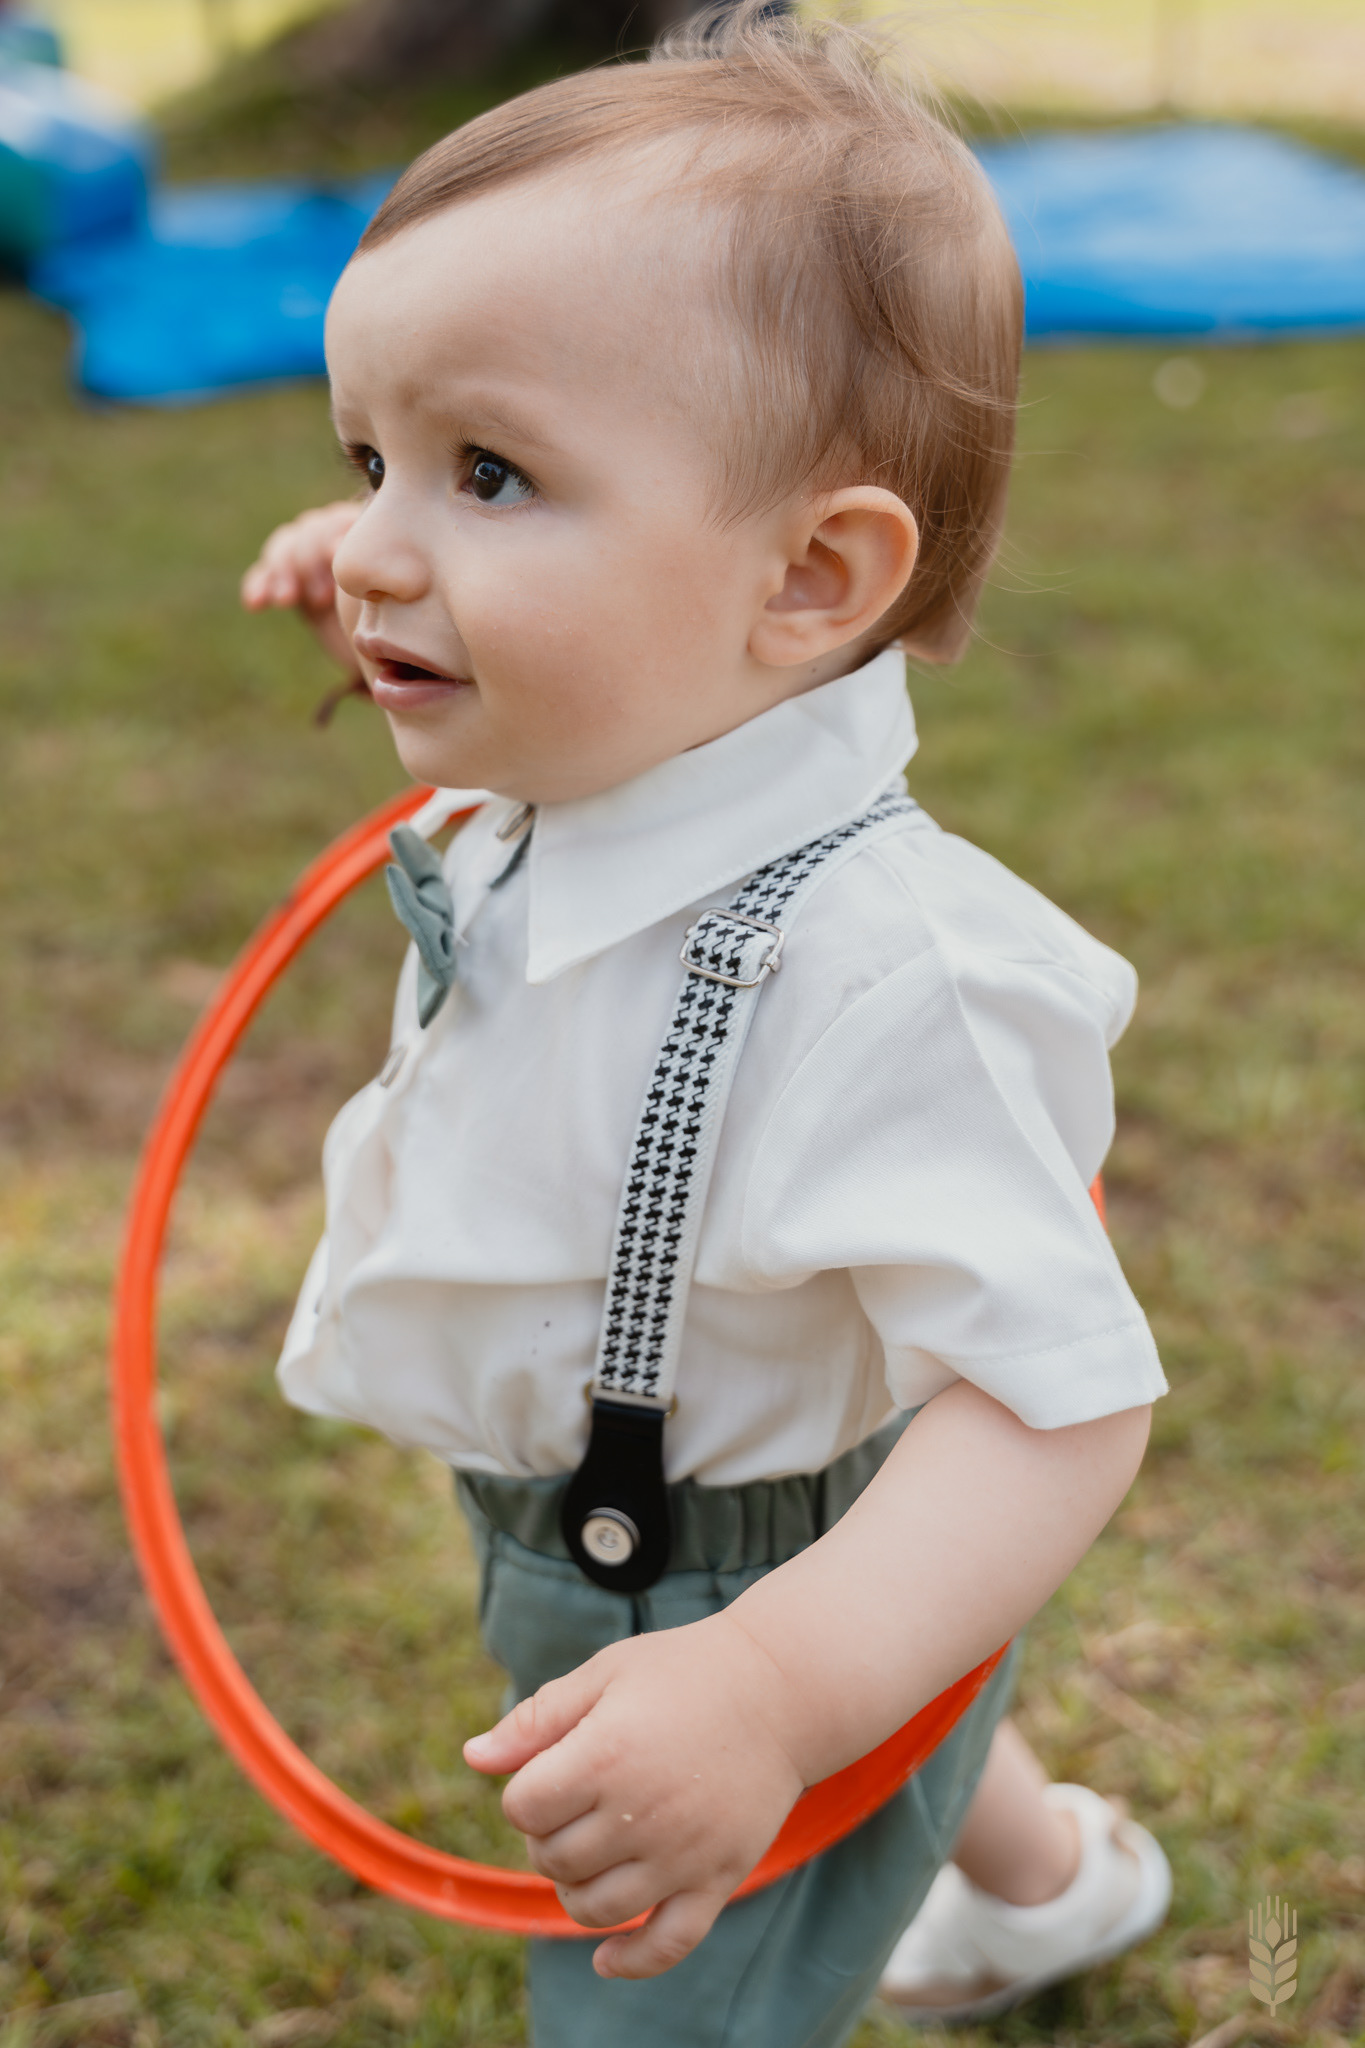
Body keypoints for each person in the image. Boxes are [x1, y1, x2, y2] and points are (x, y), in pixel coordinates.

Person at [242, 9, 1172, 2041]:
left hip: (737, 1579)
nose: (387, 538)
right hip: (621, 1509)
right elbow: (506, 627)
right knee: (915, 1713)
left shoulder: (879, 974)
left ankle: (923, 1797)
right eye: (364, 462)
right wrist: (394, 564)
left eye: (488, 471)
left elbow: (1057, 1397)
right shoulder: (601, 739)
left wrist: (769, 1684)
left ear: (809, 578)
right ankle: (1045, 1883)